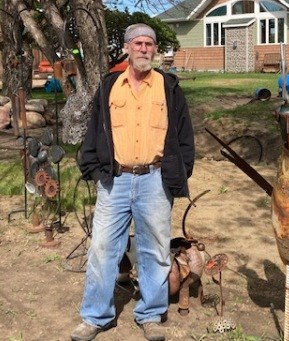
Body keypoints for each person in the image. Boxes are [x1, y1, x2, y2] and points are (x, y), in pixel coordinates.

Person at [71, 23, 195, 341]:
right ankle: (96, 316)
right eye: (138, 43)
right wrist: (94, 166)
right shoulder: (110, 85)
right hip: (115, 179)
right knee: (102, 248)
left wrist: (181, 171)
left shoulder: (168, 86)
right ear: (127, 47)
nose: (143, 49)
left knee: (153, 250)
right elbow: (95, 129)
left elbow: (184, 134)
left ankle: (151, 315)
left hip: (154, 180)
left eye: (149, 44)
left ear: (154, 50)